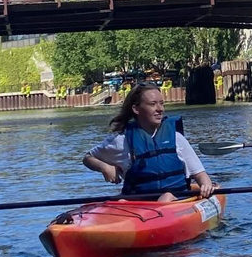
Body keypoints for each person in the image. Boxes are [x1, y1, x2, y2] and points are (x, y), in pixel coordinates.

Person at [82, 84, 215, 201]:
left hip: (176, 200)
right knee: (122, 201)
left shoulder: (176, 138)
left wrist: (206, 186)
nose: (160, 109)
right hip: (138, 204)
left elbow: (200, 174)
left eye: (161, 103)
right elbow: (88, 158)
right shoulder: (121, 141)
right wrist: (105, 167)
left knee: (166, 197)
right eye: (152, 104)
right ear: (136, 109)